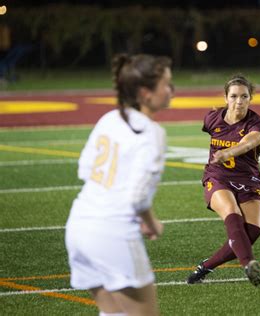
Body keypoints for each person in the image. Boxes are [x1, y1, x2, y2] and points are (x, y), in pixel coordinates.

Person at [65, 53, 173, 316]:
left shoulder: (109, 118)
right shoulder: (152, 133)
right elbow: (137, 198)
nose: (171, 91)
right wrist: (150, 220)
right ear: (146, 93)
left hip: (78, 227)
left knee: (112, 313)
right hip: (112, 234)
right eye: (167, 85)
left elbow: (85, 168)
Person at [187, 75, 260, 286]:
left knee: (253, 230)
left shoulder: (258, 123)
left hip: (248, 180)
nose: (239, 101)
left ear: (251, 98)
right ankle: (249, 263)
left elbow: (251, 142)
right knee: (232, 215)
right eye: (233, 96)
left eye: (244, 96)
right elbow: (212, 125)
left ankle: (206, 266)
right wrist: (221, 159)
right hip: (217, 177)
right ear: (226, 97)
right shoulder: (212, 118)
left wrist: (229, 152)